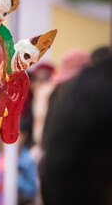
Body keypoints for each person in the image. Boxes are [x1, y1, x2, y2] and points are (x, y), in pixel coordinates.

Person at [40, 55, 112, 205]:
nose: (64, 89)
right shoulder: (55, 99)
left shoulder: (99, 101)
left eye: (69, 83)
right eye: (62, 85)